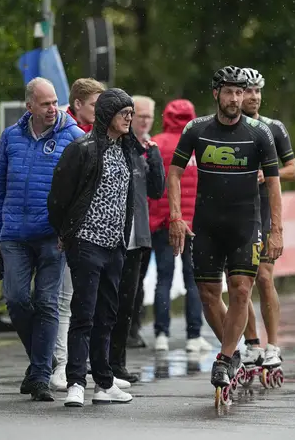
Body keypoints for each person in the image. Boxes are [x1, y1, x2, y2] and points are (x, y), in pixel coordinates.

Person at [168, 66, 283, 390]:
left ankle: (225, 356)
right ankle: (233, 352)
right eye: (229, 92)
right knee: (208, 295)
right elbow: (174, 173)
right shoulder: (197, 129)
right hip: (206, 225)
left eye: (240, 92)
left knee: (241, 290)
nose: (235, 99)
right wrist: (176, 216)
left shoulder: (260, 133)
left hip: (245, 224)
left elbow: (274, 184)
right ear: (216, 93)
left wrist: (277, 230)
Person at [0, 77, 84, 401]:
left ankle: (40, 375)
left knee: (46, 302)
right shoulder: (10, 137)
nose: (52, 108)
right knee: (16, 299)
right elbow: (0, 188)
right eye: (45, 104)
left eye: (55, 101)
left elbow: (83, 190)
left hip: (51, 237)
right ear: (29, 105)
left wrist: (69, 231)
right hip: (14, 234)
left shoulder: (73, 136)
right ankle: (41, 363)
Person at [48, 88, 136, 407]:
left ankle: (104, 382)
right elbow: (58, 197)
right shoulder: (82, 148)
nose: (129, 118)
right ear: (107, 114)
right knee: (83, 313)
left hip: (115, 246)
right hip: (86, 243)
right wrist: (66, 233)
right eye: (124, 113)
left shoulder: (125, 150)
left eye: (131, 113)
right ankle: (76, 382)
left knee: (107, 315)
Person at [239, 68, 295, 369]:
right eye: (249, 91)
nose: (254, 97)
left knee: (263, 277)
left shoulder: (274, 128)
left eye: (258, 91)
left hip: (262, 208)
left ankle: (273, 345)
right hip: (236, 210)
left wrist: (267, 174)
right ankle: (252, 344)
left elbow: (293, 170)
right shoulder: (227, 128)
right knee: (240, 282)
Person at [51, 77, 106, 392]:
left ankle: (91, 367)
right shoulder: (69, 134)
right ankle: (61, 365)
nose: (100, 111)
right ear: (77, 104)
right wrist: (63, 226)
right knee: (63, 300)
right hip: (69, 229)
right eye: (95, 106)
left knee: (87, 301)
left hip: (91, 230)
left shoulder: (96, 135)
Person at [147, 99, 211, 353]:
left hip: (164, 222)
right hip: (194, 222)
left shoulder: (156, 143)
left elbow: (152, 186)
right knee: (193, 280)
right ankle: (193, 336)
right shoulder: (201, 143)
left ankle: (161, 334)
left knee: (163, 279)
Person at [109, 116, 165, 383]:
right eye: (125, 115)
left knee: (126, 305)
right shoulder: (103, 149)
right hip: (106, 239)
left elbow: (156, 191)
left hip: (135, 240)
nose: (130, 120)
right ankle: (95, 361)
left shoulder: (139, 152)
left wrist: (155, 161)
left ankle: (117, 363)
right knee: (103, 304)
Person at [127, 95, 156, 348]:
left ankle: (133, 328)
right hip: (122, 226)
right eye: (141, 116)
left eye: (149, 117)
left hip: (145, 225)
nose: (145, 121)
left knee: (137, 282)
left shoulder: (151, 146)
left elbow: (158, 189)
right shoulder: (120, 145)